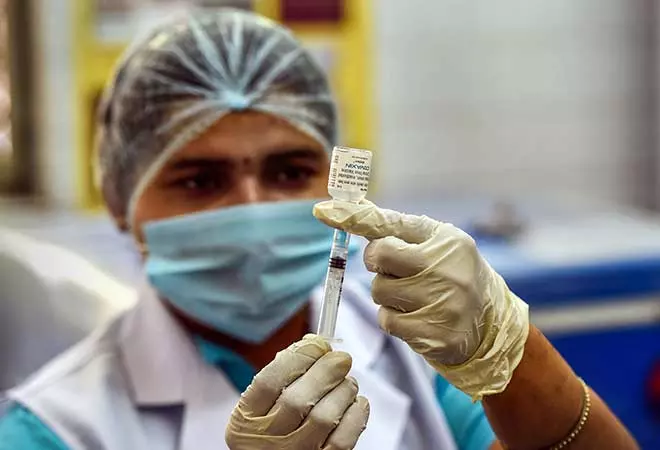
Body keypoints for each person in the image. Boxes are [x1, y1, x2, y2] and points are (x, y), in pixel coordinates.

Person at [0, 8, 637, 450]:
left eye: (289, 170)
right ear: (120, 203)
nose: (252, 208)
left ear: (331, 179)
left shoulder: (415, 354)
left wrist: (510, 349)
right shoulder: (54, 429)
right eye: (199, 179)